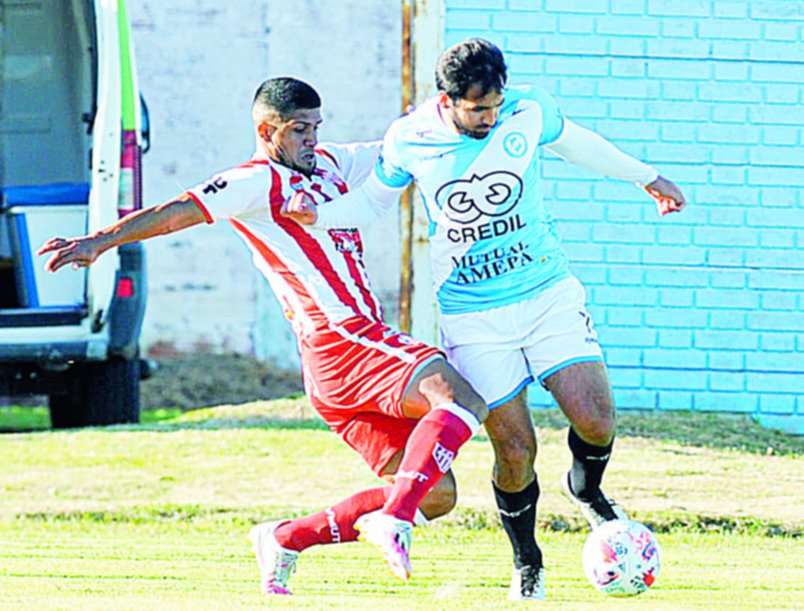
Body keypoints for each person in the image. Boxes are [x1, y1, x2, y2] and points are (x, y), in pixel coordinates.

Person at [37, 77, 489, 596]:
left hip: (340, 367)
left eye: (317, 127)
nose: (312, 140)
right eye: (299, 130)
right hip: (341, 340)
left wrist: (450, 106)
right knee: (458, 396)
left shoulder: (334, 165)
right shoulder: (254, 182)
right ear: (266, 129)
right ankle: (396, 520)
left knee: (439, 494)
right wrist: (101, 241)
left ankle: (285, 538)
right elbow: (175, 212)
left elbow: (397, 143)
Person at [281, 39, 687, 601]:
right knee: (516, 450)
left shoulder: (528, 110)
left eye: (494, 106)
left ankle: (588, 492)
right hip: (475, 317)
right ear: (447, 101)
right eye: (477, 110)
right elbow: (372, 201)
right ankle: (527, 562)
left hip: (546, 292)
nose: (490, 118)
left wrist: (646, 176)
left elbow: (577, 144)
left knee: (595, 418)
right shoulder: (410, 138)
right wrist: (320, 216)